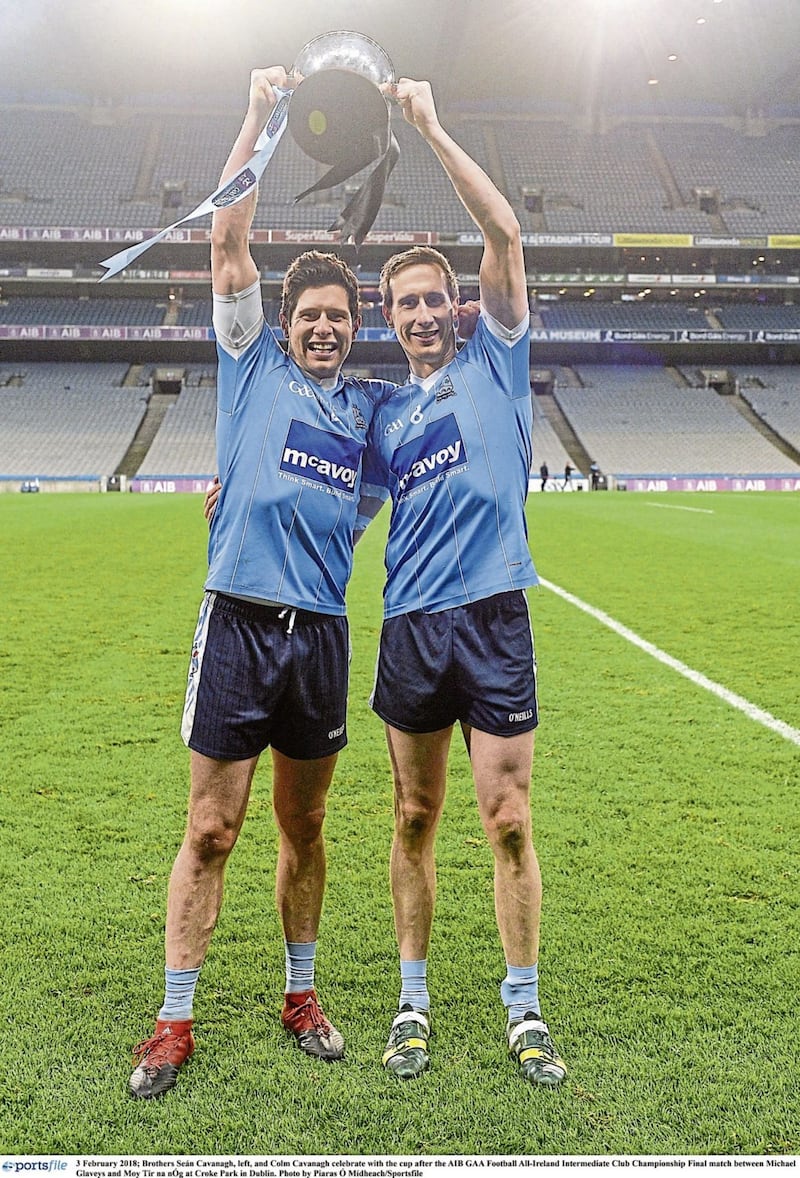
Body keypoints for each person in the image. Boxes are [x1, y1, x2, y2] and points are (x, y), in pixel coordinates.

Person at [128, 67, 396, 1100]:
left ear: (352, 324)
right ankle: (174, 1015)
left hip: (319, 633)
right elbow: (226, 242)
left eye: (338, 317)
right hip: (237, 623)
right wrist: (255, 111)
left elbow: (371, 494)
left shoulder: (369, 414)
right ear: (282, 320)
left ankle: (300, 993)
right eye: (310, 315)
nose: (324, 327)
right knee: (211, 825)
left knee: (305, 827)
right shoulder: (251, 364)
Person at [361, 78, 566, 1087]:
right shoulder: (382, 420)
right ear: (389, 317)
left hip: (493, 616)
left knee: (509, 816)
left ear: (457, 302)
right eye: (405, 301)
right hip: (409, 625)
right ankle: (411, 998)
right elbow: (331, 504)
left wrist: (432, 126)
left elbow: (508, 232)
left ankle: (522, 1007)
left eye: (435, 294)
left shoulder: (497, 358)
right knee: (411, 816)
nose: (423, 311)